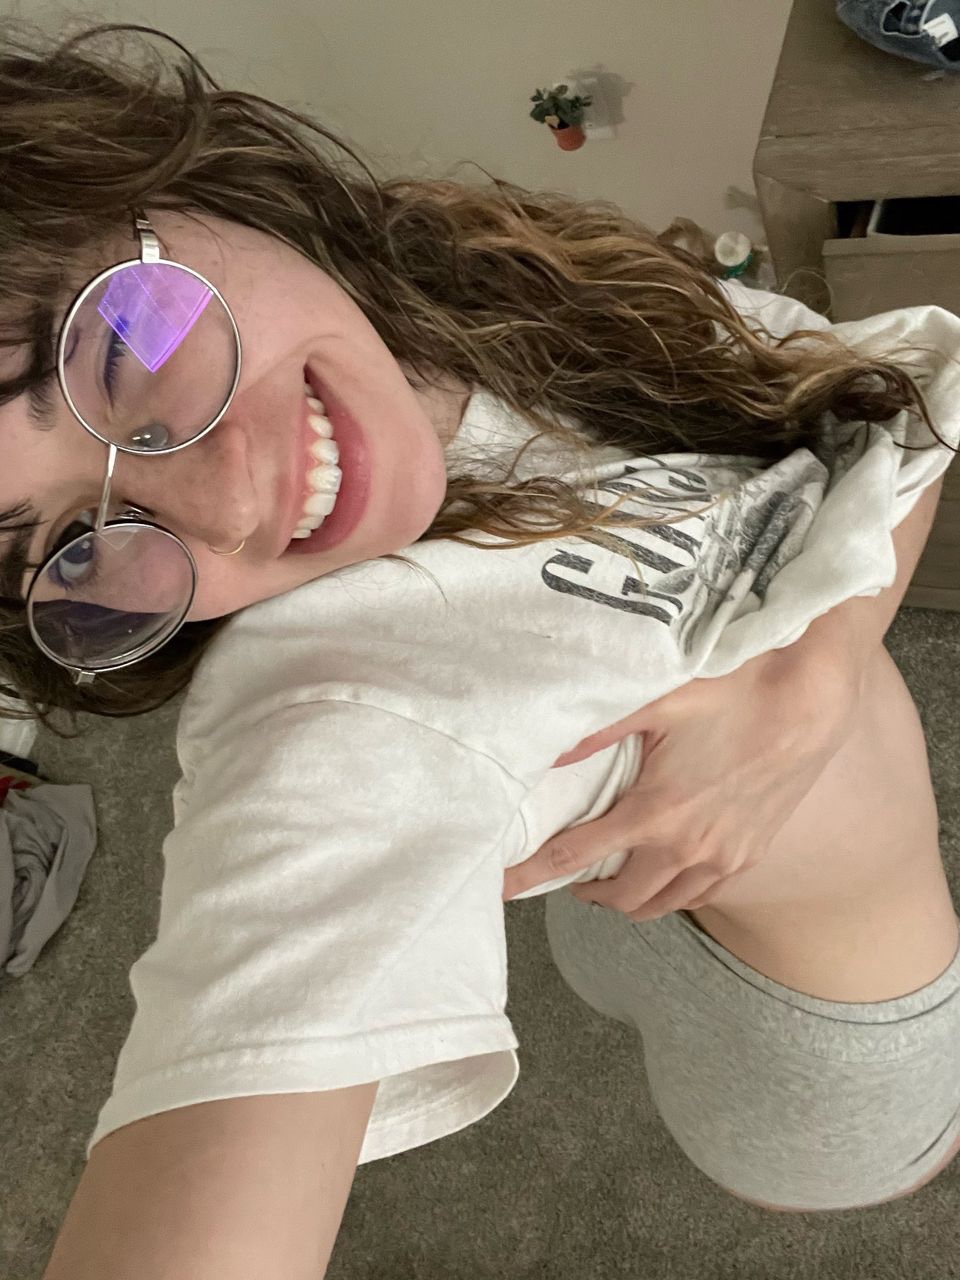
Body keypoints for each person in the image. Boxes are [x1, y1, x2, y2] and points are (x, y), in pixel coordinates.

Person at [2, 21, 958, 1280]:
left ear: (162, 166)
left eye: (121, 349)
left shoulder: (467, 262)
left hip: (630, 897)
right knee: (891, 1167)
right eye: (79, 545)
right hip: (831, 1047)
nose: (230, 511)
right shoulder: (325, 719)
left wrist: (813, 674)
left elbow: (887, 400)